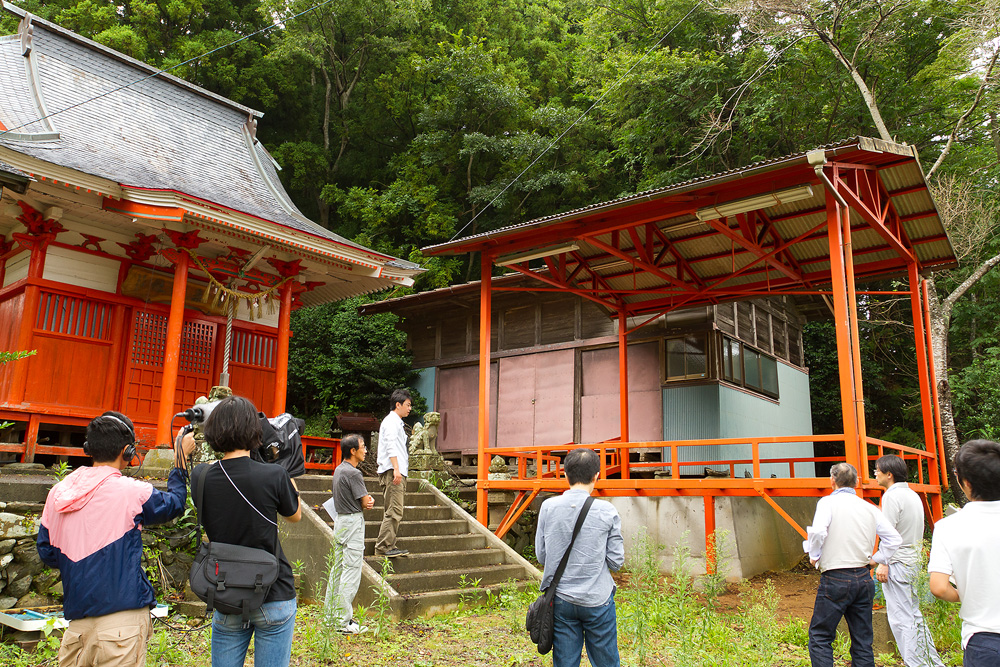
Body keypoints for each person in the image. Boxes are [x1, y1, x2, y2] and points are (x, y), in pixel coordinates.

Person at [37, 411, 195, 667]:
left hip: (77, 628)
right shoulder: (132, 492)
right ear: (128, 451)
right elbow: (175, 504)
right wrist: (180, 458)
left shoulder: (59, 491)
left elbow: (47, 552)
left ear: (89, 448)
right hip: (122, 627)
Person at [194, 396, 302, 667]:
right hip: (274, 591)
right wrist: (286, 469)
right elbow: (295, 515)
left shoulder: (201, 476)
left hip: (226, 590)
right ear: (255, 432)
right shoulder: (274, 475)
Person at [804, 462, 902, 667]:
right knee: (863, 640)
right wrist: (876, 559)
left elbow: (819, 532)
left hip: (835, 577)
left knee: (821, 636)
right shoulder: (869, 507)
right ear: (857, 482)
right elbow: (894, 539)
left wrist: (814, 554)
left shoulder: (826, 503)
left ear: (832, 481)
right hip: (863, 576)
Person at [535, 448, 625, 667]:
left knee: (565, 662)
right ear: (597, 476)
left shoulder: (548, 507)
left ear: (565, 475)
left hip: (561, 599)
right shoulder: (607, 510)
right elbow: (616, 561)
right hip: (598, 599)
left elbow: (542, 555)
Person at [928, 439, 1000, 667]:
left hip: (983, 640)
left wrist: (966, 595)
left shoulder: (948, 527)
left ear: (965, 482)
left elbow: (939, 587)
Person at [870, 455, 944, 667]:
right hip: (912, 560)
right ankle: (931, 662)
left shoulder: (892, 497)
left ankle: (916, 664)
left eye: (877, 470)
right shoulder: (912, 495)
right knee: (914, 616)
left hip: (897, 563)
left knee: (901, 620)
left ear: (889, 474)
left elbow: (890, 534)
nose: (875, 473)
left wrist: (883, 562)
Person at [324, 434, 375, 634]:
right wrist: (368, 500)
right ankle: (342, 621)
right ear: (352, 451)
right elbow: (365, 501)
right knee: (351, 570)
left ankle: (331, 616)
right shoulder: (354, 474)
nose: (365, 450)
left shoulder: (339, 470)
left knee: (337, 569)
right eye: (362, 446)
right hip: (352, 521)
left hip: (340, 522)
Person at [375, 388, 412, 558]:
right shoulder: (391, 421)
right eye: (407, 405)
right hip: (392, 471)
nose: (409, 408)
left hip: (395, 470)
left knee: (392, 509)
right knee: (395, 509)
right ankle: (384, 547)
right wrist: (396, 469)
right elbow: (390, 445)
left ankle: (388, 545)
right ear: (398, 404)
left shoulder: (396, 422)